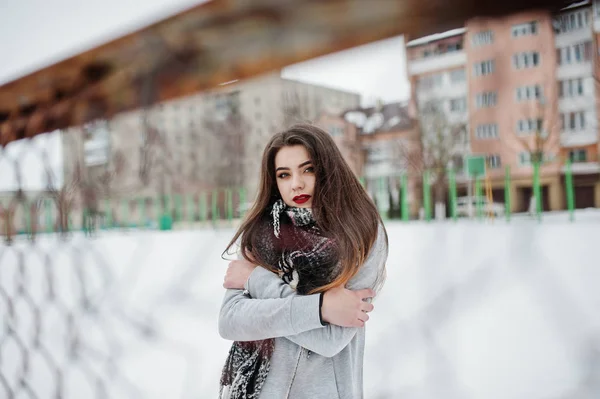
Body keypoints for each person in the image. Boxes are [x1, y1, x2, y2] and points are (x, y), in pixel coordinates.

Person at [218, 124, 388, 399]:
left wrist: (256, 280)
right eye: (284, 175)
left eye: (308, 169)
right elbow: (231, 321)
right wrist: (321, 309)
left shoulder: (362, 233)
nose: (296, 183)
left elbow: (330, 339)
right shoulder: (260, 235)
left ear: (328, 169)